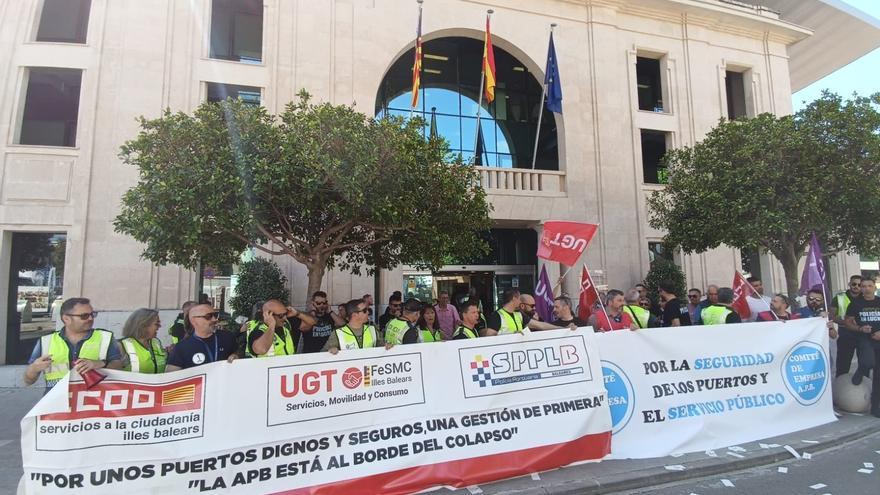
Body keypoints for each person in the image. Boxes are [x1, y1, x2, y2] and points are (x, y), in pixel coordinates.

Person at [24, 297, 122, 389]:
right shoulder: (46, 341)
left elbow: (119, 367)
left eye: (93, 314)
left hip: (93, 401)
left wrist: (101, 364)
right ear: (66, 318)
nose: (91, 319)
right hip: (57, 402)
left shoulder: (105, 337)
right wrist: (34, 369)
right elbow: (28, 381)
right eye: (84, 316)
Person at [166, 304, 238, 370]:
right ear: (194, 321)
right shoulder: (181, 348)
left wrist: (236, 357)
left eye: (215, 315)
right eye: (208, 316)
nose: (214, 319)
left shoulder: (227, 337)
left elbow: (239, 355)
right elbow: (171, 376)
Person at [844, 278, 880, 393]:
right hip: (864, 339)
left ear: (875, 287)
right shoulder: (855, 304)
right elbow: (848, 322)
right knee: (868, 362)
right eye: (863, 286)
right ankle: (860, 372)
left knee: (878, 376)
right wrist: (860, 328)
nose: (867, 288)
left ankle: (875, 407)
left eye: (869, 286)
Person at [247, 299, 316, 358]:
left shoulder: (286, 324)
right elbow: (261, 349)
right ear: (268, 315)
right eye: (281, 315)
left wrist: (297, 313)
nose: (285, 318)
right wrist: (271, 325)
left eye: (285, 314)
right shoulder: (258, 331)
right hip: (269, 372)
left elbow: (312, 322)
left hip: (286, 371)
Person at [832, 274, 863, 376]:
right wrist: (846, 322)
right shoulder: (839, 297)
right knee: (842, 365)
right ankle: (840, 386)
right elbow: (832, 316)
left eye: (859, 284)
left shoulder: (865, 298)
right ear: (849, 284)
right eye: (854, 284)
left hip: (862, 333)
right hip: (845, 333)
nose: (856, 286)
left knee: (865, 363)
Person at [119, 308, 167, 373]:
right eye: (156, 324)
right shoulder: (122, 346)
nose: (160, 326)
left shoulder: (156, 342)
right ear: (144, 325)